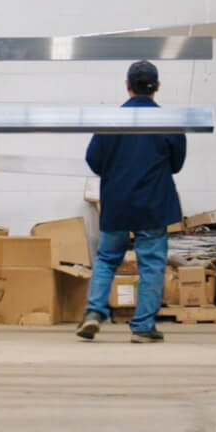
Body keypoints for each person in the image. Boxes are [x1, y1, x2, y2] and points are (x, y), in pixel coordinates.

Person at [78, 60, 186, 343]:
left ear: (128, 87)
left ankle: (94, 313)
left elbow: (94, 161)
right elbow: (176, 165)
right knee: (151, 264)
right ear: (157, 87)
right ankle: (143, 327)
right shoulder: (169, 122)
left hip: (118, 201)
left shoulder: (111, 121)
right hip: (154, 203)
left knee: (106, 259)